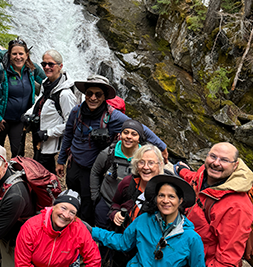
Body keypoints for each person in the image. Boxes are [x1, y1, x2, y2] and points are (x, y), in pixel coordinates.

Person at [56, 74, 169, 224]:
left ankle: (83, 233)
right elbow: (68, 135)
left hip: (91, 169)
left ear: (104, 97)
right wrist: (61, 160)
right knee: (73, 198)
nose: (93, 98)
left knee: (87, 206)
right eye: (89, 93)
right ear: (85, 94)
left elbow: (142, 129)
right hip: (73, 165)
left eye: (98, 94)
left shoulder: (113, 116)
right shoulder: (76, 112)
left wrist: (162, 146)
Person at [91, 174, 205, 267]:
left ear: (180, 201)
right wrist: (92, 231)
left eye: (171, 196)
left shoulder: (191, 238)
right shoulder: (144, 220)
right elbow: (123, 242)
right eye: (161, 195)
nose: (165, 200)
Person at [175, 142, 253, 266]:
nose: (216, 163)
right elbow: (194, 179)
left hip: (198, 260)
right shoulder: (205, 171)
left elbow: (227, 259)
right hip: (181, 243)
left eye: (224, 160)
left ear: (235, 165)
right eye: (213, 156)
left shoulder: (237, 207)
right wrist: (182, 171)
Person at [0, 38, 46, 157]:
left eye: (21, 53)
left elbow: (47, 80)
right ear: (9, 55)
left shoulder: (31, 69)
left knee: (18, 154)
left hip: (19, 120)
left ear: (27, 55)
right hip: (1, 120)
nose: (18, 57)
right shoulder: (0, 70)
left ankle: (16, 174)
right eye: (14, 54)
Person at [23, 49, 77, 173]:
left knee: (44, 172)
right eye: (44, 64)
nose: (47, 67)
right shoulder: (46, 84)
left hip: (49, 142)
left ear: (60, 66)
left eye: (51, 64)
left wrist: (48, 133)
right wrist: (28, 114)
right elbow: (39, 102)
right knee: (38, 168)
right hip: (39, 136)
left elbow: (71, 123)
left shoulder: (65, 94)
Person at [15, 189, 101, 267]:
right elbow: (22, 263)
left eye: (72, 212)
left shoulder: (78, 228)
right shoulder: (31, 227)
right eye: (63, 208)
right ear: (53, 206)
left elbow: (94, 258)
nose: (66, 215)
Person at [90, 119, 144, 229]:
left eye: (134, 134)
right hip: (106, 202)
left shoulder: (143, 158)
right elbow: (95, 172)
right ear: (120, 134)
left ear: (139, 138)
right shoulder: (108, 154)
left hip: (130, 208)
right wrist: (95, 196)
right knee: (102, 237)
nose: (129, 137)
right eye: (126, 132)